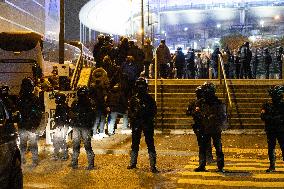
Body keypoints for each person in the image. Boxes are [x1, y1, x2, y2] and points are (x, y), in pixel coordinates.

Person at [193, 82, 227, 173]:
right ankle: (202, 165)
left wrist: (213, 117)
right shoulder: (200, 102)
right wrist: (199, 114)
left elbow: (222, 115)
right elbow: (195, 113)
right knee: (203, 147)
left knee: (218, 147)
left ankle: (220, 166)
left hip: (215, 128)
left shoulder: (218, 102)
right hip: (205, 127)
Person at [127, 77, 159, 173]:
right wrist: (134, 116)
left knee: (150, 143)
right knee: (135, 143)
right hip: (138, 122)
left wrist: (145, 114)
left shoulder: (148, 99)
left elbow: (154, 111)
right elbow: (130, 111)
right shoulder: (134, 99)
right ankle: (133, 162)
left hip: (146, 122)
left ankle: (152, 165)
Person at [17, 77, 43, 167]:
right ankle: (34, 160)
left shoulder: (19, 98)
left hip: (23, 126)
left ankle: (23, 159)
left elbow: (17, 112)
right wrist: (36, 124)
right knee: (32, 144)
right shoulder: (34, 98)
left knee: (23, 144)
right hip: (31, 126)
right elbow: (38, 113)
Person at [186, 85, 214, 164]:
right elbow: (187, 113)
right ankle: (203, 159)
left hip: (206, 124)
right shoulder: (193, 103)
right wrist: (195, 112)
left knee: (207, 141)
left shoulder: (207, 102)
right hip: (198, 124)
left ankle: (208, 157)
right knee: (202, 142)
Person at [69, 86, 95, 170]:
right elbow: (71, 113)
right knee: (78, 145)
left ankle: (88, 163)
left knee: (85, 145)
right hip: (79, 126)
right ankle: (75, 162)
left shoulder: (89, 103)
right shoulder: (76, 103)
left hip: (83, 126)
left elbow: (92, 116)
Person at [260, 85, 284, 172]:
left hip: (276, 129)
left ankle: (272, 166)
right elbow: (262, 116)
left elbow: (263, 116)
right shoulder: (267, 105)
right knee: (273, 147)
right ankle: (272, 166)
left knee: (273, 147)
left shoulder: (267, 105)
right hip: (276, 129)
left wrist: (271, 118)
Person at [52, 92, 70, 160]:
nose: (55, 99)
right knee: (56, 139)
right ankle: (56, 154)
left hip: (62, 126)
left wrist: (60, 126)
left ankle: (65, 155)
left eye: (56, 98)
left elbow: (63, 118)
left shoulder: (62, 106)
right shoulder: (60, 105)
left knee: (61, 140)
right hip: (60, 125)